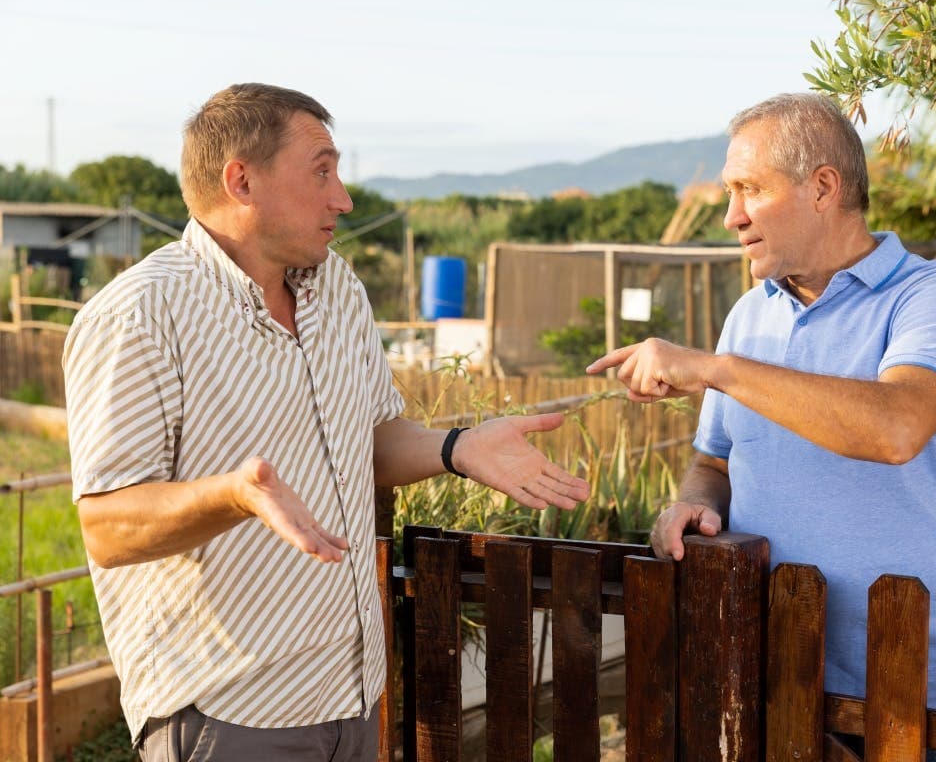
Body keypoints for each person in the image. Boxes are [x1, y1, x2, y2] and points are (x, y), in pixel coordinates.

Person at [63, 82, 589, 761]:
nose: (342, 197)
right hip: (229, 713)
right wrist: (234, 495)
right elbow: (107, 527)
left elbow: (372, 441)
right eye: (322, 171)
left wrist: (458, 448)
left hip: (350, 698)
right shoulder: (138, 315)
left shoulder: (338, 288)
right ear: (241, 179)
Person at [588, 93, 936, 729]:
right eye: (728, 192)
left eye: (748, 189)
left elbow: (897, 427)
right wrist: (692, 502)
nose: (730, 216)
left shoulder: (930, 296)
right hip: (767, 671)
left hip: (905, 681)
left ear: (823, 187)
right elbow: (713, 462)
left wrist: (717, 369)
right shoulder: (749, 315)